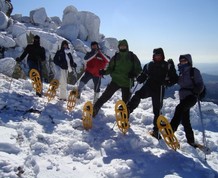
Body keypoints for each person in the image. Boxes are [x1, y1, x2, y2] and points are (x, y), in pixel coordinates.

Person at [127, 48, 178, 139]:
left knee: (157, 110)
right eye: (156, 55)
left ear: (162, 56)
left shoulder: (167, 66)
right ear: (153, 56)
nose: (157, 57)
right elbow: (144, 74)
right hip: (149, 86)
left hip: (159, 88)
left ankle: (156, 131)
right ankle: (128, 110)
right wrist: (140, 78)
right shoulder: (149, 65)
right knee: (137, 95)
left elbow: (174, 79)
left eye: (159, 55)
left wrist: (168, 82)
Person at [93, 39, 142, 117]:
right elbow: (110, 68)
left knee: (125, 103)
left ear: (127, 46)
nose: (122, 47)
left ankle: (124, 118)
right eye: (121, 46)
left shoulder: (132, 56)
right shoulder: (116, 57)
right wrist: (104, 72)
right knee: (105, 96)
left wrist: (134, 74)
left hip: (127, 82)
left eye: (124, 46)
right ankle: (95, 109)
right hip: (116, 81)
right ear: (119, 47)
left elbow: (139, 68)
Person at [170, 54, 204, 148]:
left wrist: (197, 89)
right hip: (183, 97)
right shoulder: (181, 73)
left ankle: (171, 129)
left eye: (184, 61)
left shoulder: (194, 71)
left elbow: (200, 84)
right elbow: (176, 80)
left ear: (189, 61)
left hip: (192, 96)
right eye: (181, 61)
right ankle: (191, 141)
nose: (182, 62)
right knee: (185, 120)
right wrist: (171, 69)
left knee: (179, 108)